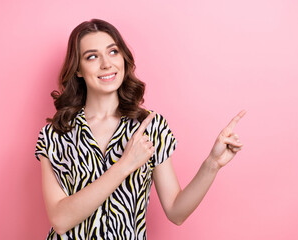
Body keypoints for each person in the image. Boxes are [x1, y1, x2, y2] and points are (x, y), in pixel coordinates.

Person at [35, 19, 246, 240]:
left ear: (123, 59)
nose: (107, 64)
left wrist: (212, 164)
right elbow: (59, 220)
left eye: (113, 52)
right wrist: (125, 164)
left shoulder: (151, 127)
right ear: (78, 69)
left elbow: (176, 212)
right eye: (92, 56)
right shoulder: (55, 134)